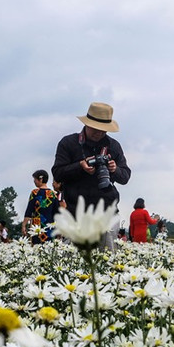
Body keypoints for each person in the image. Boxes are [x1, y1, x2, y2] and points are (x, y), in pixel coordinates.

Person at [52, 102, 131, 247]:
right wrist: (79, 166)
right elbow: (57, 173)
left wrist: (115, 170)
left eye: (103, 130)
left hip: (107, 213)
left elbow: (125, 176)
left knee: (107, 262)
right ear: (87, 124)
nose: (99, 133)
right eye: (95, 128)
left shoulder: (113, 146)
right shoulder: (69, 143)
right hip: (76, 213)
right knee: (73, 263)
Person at [22, 169, 59, 244]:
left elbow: (29, 211)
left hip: (37, 227)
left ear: (41, 179)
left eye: (35, 179)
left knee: (37, 249)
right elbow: (57, 213)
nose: (34, 181)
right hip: (50, 227)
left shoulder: (35, 193)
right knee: (49, 249)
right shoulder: (53, 194)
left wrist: (24, 225)